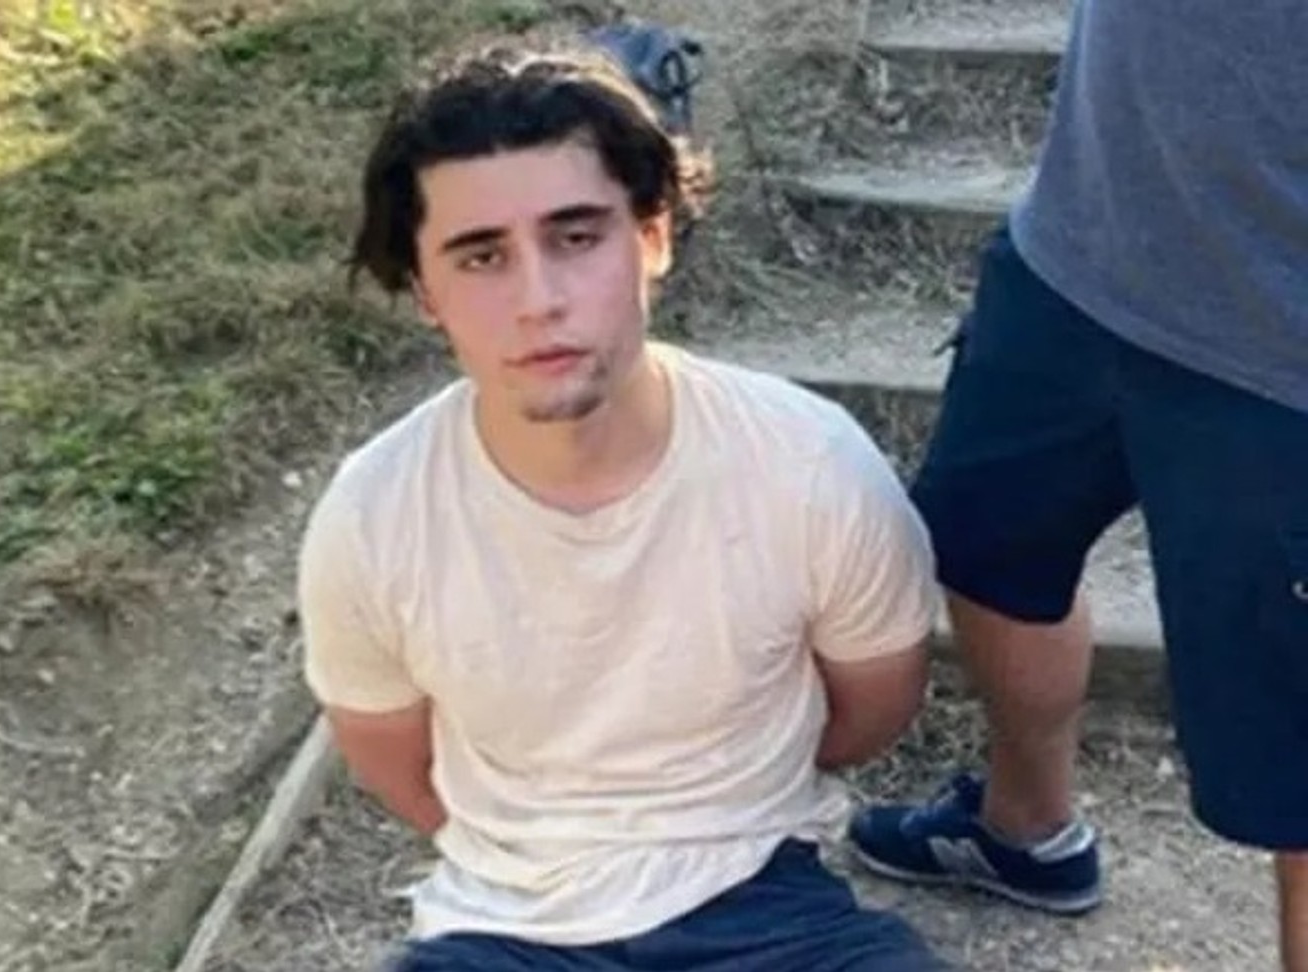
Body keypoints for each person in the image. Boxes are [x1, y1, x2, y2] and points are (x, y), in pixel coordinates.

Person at [297, 43, 953, 972]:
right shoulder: (372, 517)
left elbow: (871, 710)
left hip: (766, 903)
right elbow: (395, 762)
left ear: (653, 238)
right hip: (504, 932)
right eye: (481, 257)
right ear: (425, 292)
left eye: (576, 237)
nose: (539, 300)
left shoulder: (810, 466)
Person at [847, 2, 1308, 968]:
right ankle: (1027, 831)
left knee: (1299, 769)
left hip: (1280, 361)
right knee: (984, 551)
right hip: (1073, 262)